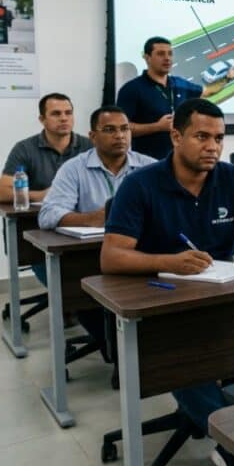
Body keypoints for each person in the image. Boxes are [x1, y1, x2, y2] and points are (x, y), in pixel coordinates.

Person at [101, 98, 234, 466]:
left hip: (224, 293)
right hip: (163, 304)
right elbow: (112, 257)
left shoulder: (232, 178)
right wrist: (169, 261)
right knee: (184, 363)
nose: (212, 146)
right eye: (201, 136)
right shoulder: (140, 185)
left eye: (219, 138)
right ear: (176, 136)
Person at [37, 106, 154, 349]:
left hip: (141, 253)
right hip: (91, 258)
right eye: (110, 130)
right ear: (93, 136)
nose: (120, 136)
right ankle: (114, 350)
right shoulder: (73, 169)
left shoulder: (149, 167)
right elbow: (47, 214)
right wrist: (90, 218)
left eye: (125, 129)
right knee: (85, 298)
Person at [116, 36, 203, 160]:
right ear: (147, 58)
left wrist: (228, 77)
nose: (167, 58)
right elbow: (121, 127)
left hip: (181, 162)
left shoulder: (179, 84)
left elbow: (206, 92)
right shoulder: (132, 89)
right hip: (148, 163)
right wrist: (157, 126)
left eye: (170, 54)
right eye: (161, 54)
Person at [0, 93, 91, 205]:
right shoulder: (24, 148)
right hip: (38, 218)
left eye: (68, 113)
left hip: (83, 215)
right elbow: (2, 193)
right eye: (56, 114)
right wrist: (41, 195)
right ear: (42, 119)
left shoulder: (90, 146)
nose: (64, 118)